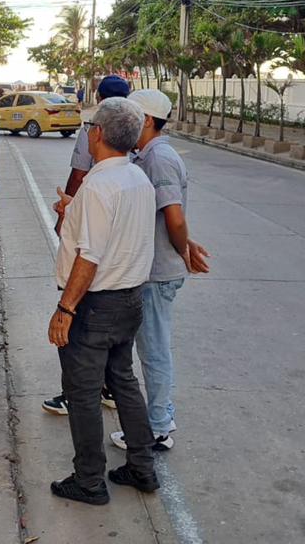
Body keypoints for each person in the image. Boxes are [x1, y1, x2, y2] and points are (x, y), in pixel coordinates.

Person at [46, 97, 158, 505]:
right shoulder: (135, 179)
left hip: (95, 305)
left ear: (97, 134)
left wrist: (65, 310)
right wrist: (74, 211)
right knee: (123, 381)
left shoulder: (98, 184)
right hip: (129, 299)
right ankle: (142, 466)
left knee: (83, 391)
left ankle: (90, 480)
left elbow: (89, 257)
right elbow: (114, 230)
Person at [107, 90, 211, 454]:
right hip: (152, 266)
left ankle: (157, 427)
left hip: (157, 270)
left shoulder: (159, 158)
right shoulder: (148, 154)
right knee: (151, 346)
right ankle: (160, 416)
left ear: (147, 121)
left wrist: (183, 248)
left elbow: (174, 215)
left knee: (153, 350)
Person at [43, 74, 131, 416]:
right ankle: (108, 388)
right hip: (125, 240)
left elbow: (79, 174)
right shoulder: (134, 129)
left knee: (83, 326)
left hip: (94, 222)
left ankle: (79, 393)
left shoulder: (94, 130)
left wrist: (68, 211)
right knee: (117, 338)